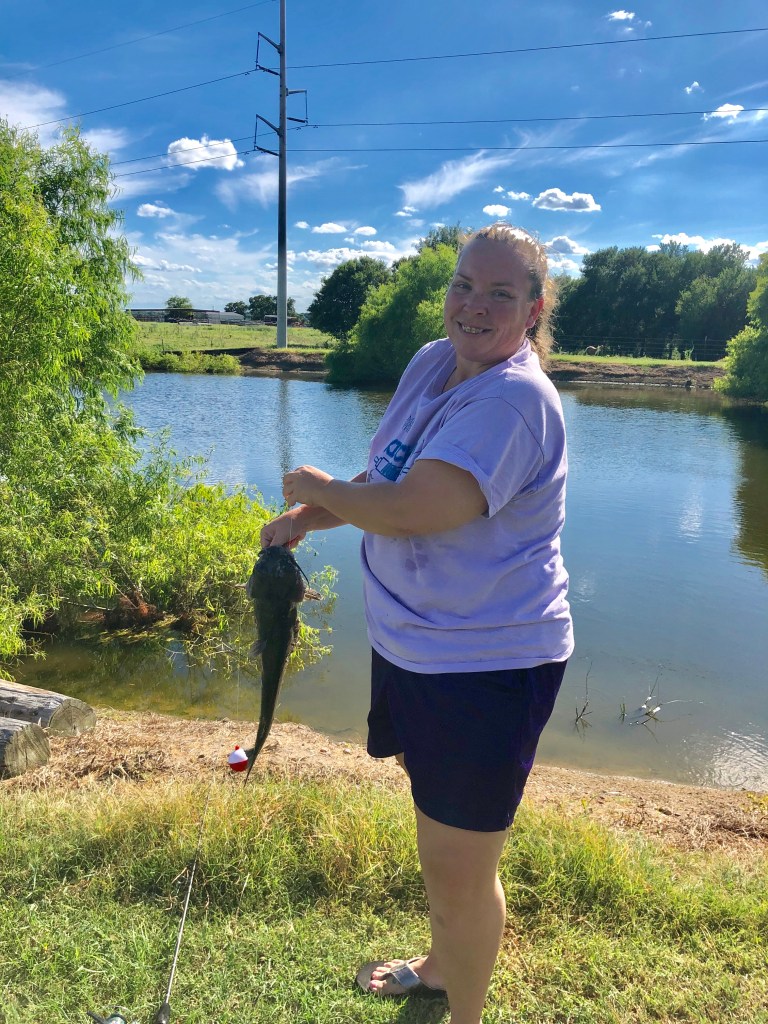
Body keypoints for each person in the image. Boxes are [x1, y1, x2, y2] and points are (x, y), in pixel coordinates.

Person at [260, 222, 574, 1024]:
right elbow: (387, 475)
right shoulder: (436, 362)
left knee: (460, 874)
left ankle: (461, 1011)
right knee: (441, 833)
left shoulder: (515, 400)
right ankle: (439, 969)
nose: (474, 305)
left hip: (485, 665)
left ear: (534, 309)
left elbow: (414, 509)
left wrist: (315, 485)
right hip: (417, 646)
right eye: (464, 285)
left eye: (500, 293)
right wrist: (308, 517)